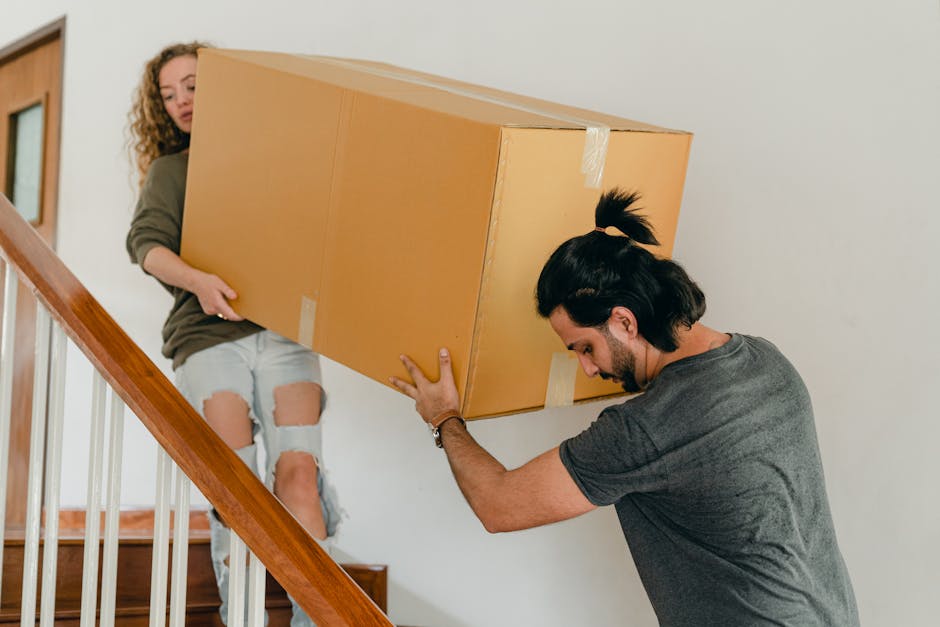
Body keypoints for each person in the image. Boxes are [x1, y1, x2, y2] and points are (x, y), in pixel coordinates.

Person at [391, 189, 858, 625]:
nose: (587, 370)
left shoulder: (649, 429)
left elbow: (499, 506)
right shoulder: (766, 359)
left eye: (584, 348)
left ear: (623, 321)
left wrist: (443, 417)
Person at [126, 42, 340, 627]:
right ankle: (240, 617)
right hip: (208, 341)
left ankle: (317, 616)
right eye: (168, 95)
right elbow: (145, 247)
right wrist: (197, 281)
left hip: (287, 337)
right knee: (237, 486)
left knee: (299, 472)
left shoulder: (271, 158)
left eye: (192, 85)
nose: (181, 102)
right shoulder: (173, 171)